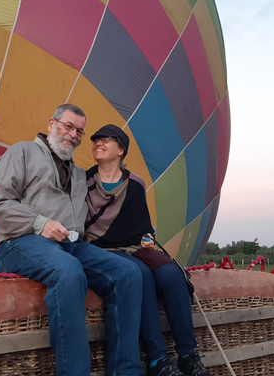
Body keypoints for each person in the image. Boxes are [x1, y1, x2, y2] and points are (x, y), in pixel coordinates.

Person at [0, 105, 143, 376]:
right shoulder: (21, 152)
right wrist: (40, 223)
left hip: (70, 245)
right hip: (20, 241)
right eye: (67, 126)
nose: (73, 134)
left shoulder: (80, 174)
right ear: (51, 123)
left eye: (79, 131)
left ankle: (125, 370)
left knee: (127, 273)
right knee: (69, 272)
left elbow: (108, 198)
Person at [84, 124, 209, 376]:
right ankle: (157, 360)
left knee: (173, 273)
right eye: (96, 139)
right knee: (140, 275)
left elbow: (141, 224)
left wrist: (147, 238)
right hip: (101, 250)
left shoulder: (136, 184)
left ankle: (188, 355)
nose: (98, 142)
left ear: (121, 149)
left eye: (106, 139)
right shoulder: (83, 181)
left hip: (134, 247)